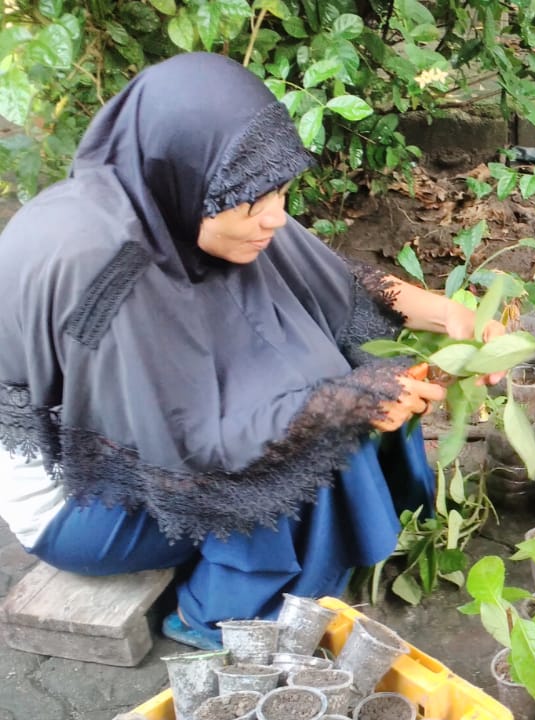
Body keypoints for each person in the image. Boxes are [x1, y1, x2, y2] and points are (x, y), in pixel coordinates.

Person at [0, 53, 495, 651]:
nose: (275, 217)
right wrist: (343, 404)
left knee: (337, 381)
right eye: (254, 203)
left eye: (281, 191)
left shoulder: (175, 195)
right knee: (311, 439)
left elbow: (327, 281)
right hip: (85, 499)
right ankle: (225, 610)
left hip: (163, 431)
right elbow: (189, 448)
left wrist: (447, 314)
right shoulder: (107, 270)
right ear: (185, 178)